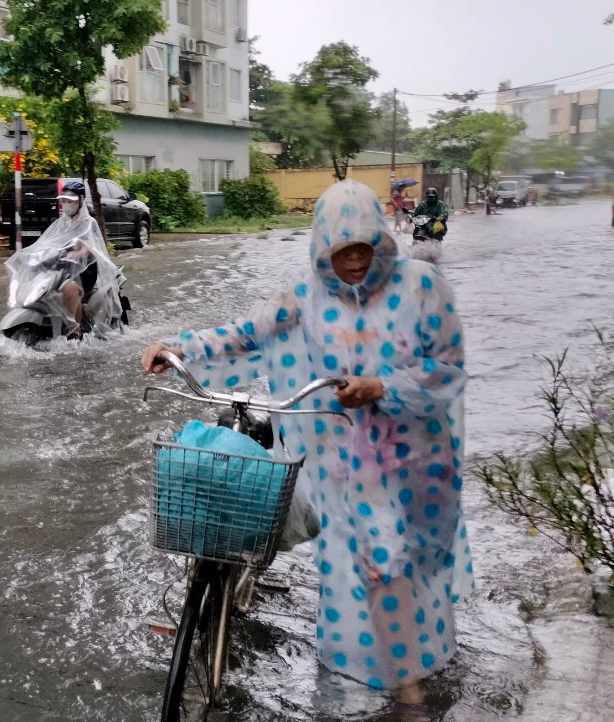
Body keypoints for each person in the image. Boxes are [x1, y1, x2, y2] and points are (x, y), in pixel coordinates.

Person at [141, 179, 471, 703]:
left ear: (382, 241)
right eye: (343, 250)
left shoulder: (423, 288)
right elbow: (246, 334)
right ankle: (354, 676)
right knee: (346, 569)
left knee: (390, 568)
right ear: (323, 250)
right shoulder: (304, 299)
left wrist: (382, 387)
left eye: (365, 246)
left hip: (408, 466)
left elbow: (448, 369)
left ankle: (411, 689)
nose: (356, 260)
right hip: (336, 463)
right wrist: (179, 348)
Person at [3, 180, 123, 339]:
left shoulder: (88, 222)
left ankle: (76, 330)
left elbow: (91, 244)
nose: (66, 204)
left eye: (71, 201)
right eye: (64, 201)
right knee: (44, 284)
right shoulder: (60, 223)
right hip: (64, 266)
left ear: (80, 201)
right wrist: (27, 254)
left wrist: (79, 253)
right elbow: (45, 242)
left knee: (69, 287)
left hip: (86, 269)